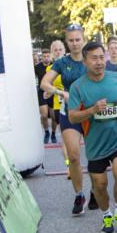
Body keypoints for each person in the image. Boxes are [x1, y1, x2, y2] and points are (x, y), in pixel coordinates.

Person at [67, 42, 117, 233]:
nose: (99, 62)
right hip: (95, 144)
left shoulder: (116, 78)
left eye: (101, 57)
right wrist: (92, 110)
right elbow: (72, 117)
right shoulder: (77, 87)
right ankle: (107, 215)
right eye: (94, 58)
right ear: (85, 61)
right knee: (99, 184)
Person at [41, 24, 94, 214]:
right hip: (69, 112)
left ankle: (96, 189)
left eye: (78, 39)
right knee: (73, 155)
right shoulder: (62, 63)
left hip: (91, 112)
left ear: (83, 39)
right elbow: (44, 83)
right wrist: (60, 92)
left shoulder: (92, 58)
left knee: (94, 155)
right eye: (71, 40)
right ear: (66, 42)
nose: (75, 43)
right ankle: (79, 195)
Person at [34, 50, 53, 143]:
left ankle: (53, 133)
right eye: (44, 56)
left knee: (54, 117)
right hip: (42, 93)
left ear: (50, 57)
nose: (46, 58)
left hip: (53, 92)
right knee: (44, 115)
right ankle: (46, 132)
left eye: (47, 56)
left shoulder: (54, 66)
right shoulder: (37, 67)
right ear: (41, 57)